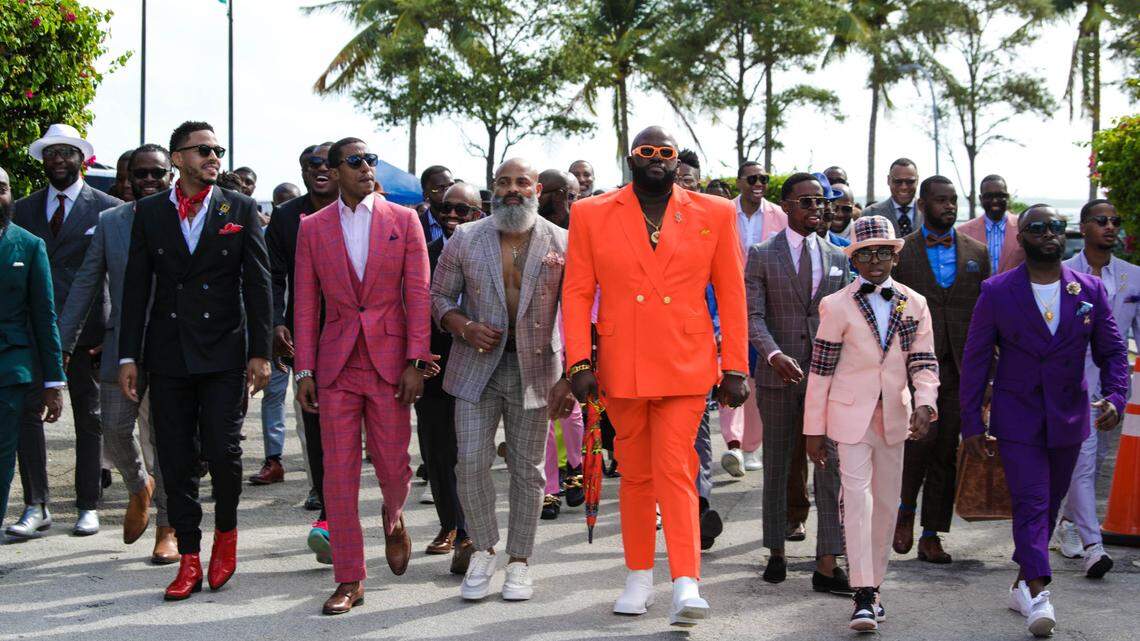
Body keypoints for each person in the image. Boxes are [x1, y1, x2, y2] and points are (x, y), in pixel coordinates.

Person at [564, 126, 750, 626]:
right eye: (646, 151)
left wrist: (735, 365)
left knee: (674, 466)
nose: (655, 159)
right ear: (630, 157)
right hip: (621, 364)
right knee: (636, 474)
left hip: (686, 363)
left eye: (664, 152)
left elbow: (732, 292)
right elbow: (578, 292)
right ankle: (639, 574)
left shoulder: (714, 212)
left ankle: (686, 581)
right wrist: (579, 362)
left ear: (675, 161)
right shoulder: (591, 213)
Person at [118, 120, 272, 600]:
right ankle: (188, 555)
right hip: (168, 353)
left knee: (225, 453)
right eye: (203, 149)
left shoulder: (239, 207)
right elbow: (136, 287)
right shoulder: (148, 212)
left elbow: (259, 284)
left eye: (218, 149)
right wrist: (129, 355)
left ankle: (225, 536)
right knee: (176, 458)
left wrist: (261, 352)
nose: (213, 157)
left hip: (225, 351)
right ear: (178, 157)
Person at [959, 205, 1128, 637]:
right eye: (1037, 227)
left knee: (1049, 506)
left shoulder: (1088, 290)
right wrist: (972, 425)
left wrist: (1114, 397)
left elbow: (1112, 354)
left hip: (1070, 419)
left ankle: (1020, 584)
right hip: (1018, 418)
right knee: (1032, 502)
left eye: (1054, 226)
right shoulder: (997, 291)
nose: (1048, 233)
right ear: (1023, 239)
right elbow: (976, 362)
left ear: (1063, 234)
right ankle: (1039, 592)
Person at [292, 138, 431, 615]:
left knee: (394, 467)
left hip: (391, 364)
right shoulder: (312, 227)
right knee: (339, 475)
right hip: (336, 366)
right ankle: (350, 577)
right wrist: (304, 369)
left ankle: (393, 517)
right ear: (333, 172)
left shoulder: (403, 220)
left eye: (371, 160)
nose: (368, 167)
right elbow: (306, 305)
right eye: (356, 161)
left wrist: (417, 362)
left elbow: (419, 295)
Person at [432, 157, 574, 603]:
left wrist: (571, 376)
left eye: (522, 182)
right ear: (493, 189)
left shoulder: (563, 242)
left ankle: (519, 561)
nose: (513, 189)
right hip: (475, 368)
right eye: (504, 182)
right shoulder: (466, 237)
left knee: (528, 472)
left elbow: (579, 311)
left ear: (536, 190)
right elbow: (437, 296)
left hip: (537, 372)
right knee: (469, 463)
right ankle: (484, 549)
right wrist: (462, 326)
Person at [803, 214, 939, 632]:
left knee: (885, 503)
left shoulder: (913, 302)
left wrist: (925, 404)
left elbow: (923, 361)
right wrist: (813, 429)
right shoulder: (836, 304)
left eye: (883, 252)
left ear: (895, 257)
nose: (875, 261)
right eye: (866, 254)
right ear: (855, 261)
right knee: (856, 499)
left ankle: (874, 588)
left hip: (895, 417)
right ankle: (861, 593)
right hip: (849, 416)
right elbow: (821, 369)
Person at [56, 144, 179, 563]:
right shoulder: (110, 222)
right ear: (126, 180)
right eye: (138, 175)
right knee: (112, 429)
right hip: (120, 345)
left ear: (170, 176)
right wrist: (62, 344)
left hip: (172, 348)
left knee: (164, 440)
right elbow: (87, 284)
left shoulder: (185, 217)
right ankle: (138, 486)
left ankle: (167, 526)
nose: (147, 181)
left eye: (155, 174)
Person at [7, 124, 121, 539]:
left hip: (89, 334)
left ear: (82, 158)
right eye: (51, 153)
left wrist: (111, 331)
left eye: (67, 152)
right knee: (28, 418)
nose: (58, 159)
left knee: (89, 419)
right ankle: (36, 505)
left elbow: (116, 276)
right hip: (33, 334)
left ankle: (88, 504)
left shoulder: (107, 207)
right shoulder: (23, 208)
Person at [746, 172, 852, 592]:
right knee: (777, 465)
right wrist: (773, 354)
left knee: (829, 467)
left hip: (826, 379)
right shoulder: (761, 254)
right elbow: (752, 316)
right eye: (806, 202)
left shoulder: (839, 257)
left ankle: (828, 562)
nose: (816, 209)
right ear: (786, 206)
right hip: (777, 377)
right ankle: (776, 551)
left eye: (821, 202)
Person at [891, 176, 990, 564]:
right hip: (913, 364)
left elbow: (986, 314)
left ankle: (932, 534)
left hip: (962, 366)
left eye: (952, 201)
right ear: (922, 204)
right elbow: (894, 307)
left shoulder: (976, 253)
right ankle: (904, 511)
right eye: (941, 201)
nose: (949, 207)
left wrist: (988, 373)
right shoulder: (904, 252)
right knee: (917, 443)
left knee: (946, 450)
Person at [1053, 199, 1138, 577]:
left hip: (1115, 385)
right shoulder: (1061, 272)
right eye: (1101, 220)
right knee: (1083, 462)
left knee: (1096, 457)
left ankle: (1069, 523)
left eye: (1114, 221)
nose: (1110, 226)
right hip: (1074, 383)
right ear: (1083, 227)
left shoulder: (1133, 276)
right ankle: (1094, 545)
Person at [265, 142, 340, 560]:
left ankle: (386, 517)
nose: (321, 170)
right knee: (315, 423)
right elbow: (273, 275)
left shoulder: (366, 209)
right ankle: (329, 516)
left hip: (365, 340)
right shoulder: (286, 216)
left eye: (330, 163)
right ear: (303, 170)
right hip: (307, 338)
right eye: (312, 164)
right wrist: (277, 322)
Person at [416, 182, 482, 574]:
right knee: (438, 452)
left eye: (463, 210)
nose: (452, 217)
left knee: (470, 454)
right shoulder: (426, 255)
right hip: (434, 366)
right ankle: (450, 526)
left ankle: (470, 532)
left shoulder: (493, 253)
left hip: (479, 367)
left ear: (479, 212)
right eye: (446, 210)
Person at [0, 165, 65, 533]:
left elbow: (45, 317)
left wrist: (53, 382)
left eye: (3, 188)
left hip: (11, 369)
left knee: (2, 456)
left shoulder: (28, 245)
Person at [721, 161, 784, 477]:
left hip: (764, 308)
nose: (759, 183)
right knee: (728, 373)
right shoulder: (722, 212)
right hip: (725, 304)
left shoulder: (779, 217)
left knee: (756, 379)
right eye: (753, 178)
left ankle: (750, 446)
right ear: (739, 182)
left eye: (764, 178)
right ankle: (732, 443)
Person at [674, 158, 725, 550]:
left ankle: (699, 504)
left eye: (688, 181)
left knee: (699, 437)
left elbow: (727, 293)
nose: (682, 187)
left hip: (699, 354)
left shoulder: (712, 227)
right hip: (651, 355)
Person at [535, 168, 585, 521]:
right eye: (568, 194)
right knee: (544, 412)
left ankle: (577, 468)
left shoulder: (583, 229)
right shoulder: (527, 228)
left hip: (579, 325)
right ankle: (550, 487)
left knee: (574, 409)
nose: (573, 201)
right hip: (539, 329)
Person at [958, 174, 1025, 275]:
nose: (994, 201)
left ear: (1007, 197)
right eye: (989, 196)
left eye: (1000, 196)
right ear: (981, 199)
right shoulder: (963, 232)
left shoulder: (1023, 227)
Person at [862, 158, 921, 237]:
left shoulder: (929, 213)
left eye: (910, 181)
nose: (904, 187)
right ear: (888, 180)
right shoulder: (870, 214)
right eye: (898, 181)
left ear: (917, 180)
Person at [419, 165, 454, 244]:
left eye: (451, 186)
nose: (448, 192)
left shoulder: (469, 220)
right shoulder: (416, 226)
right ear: (426, 194)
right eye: (440, 188)